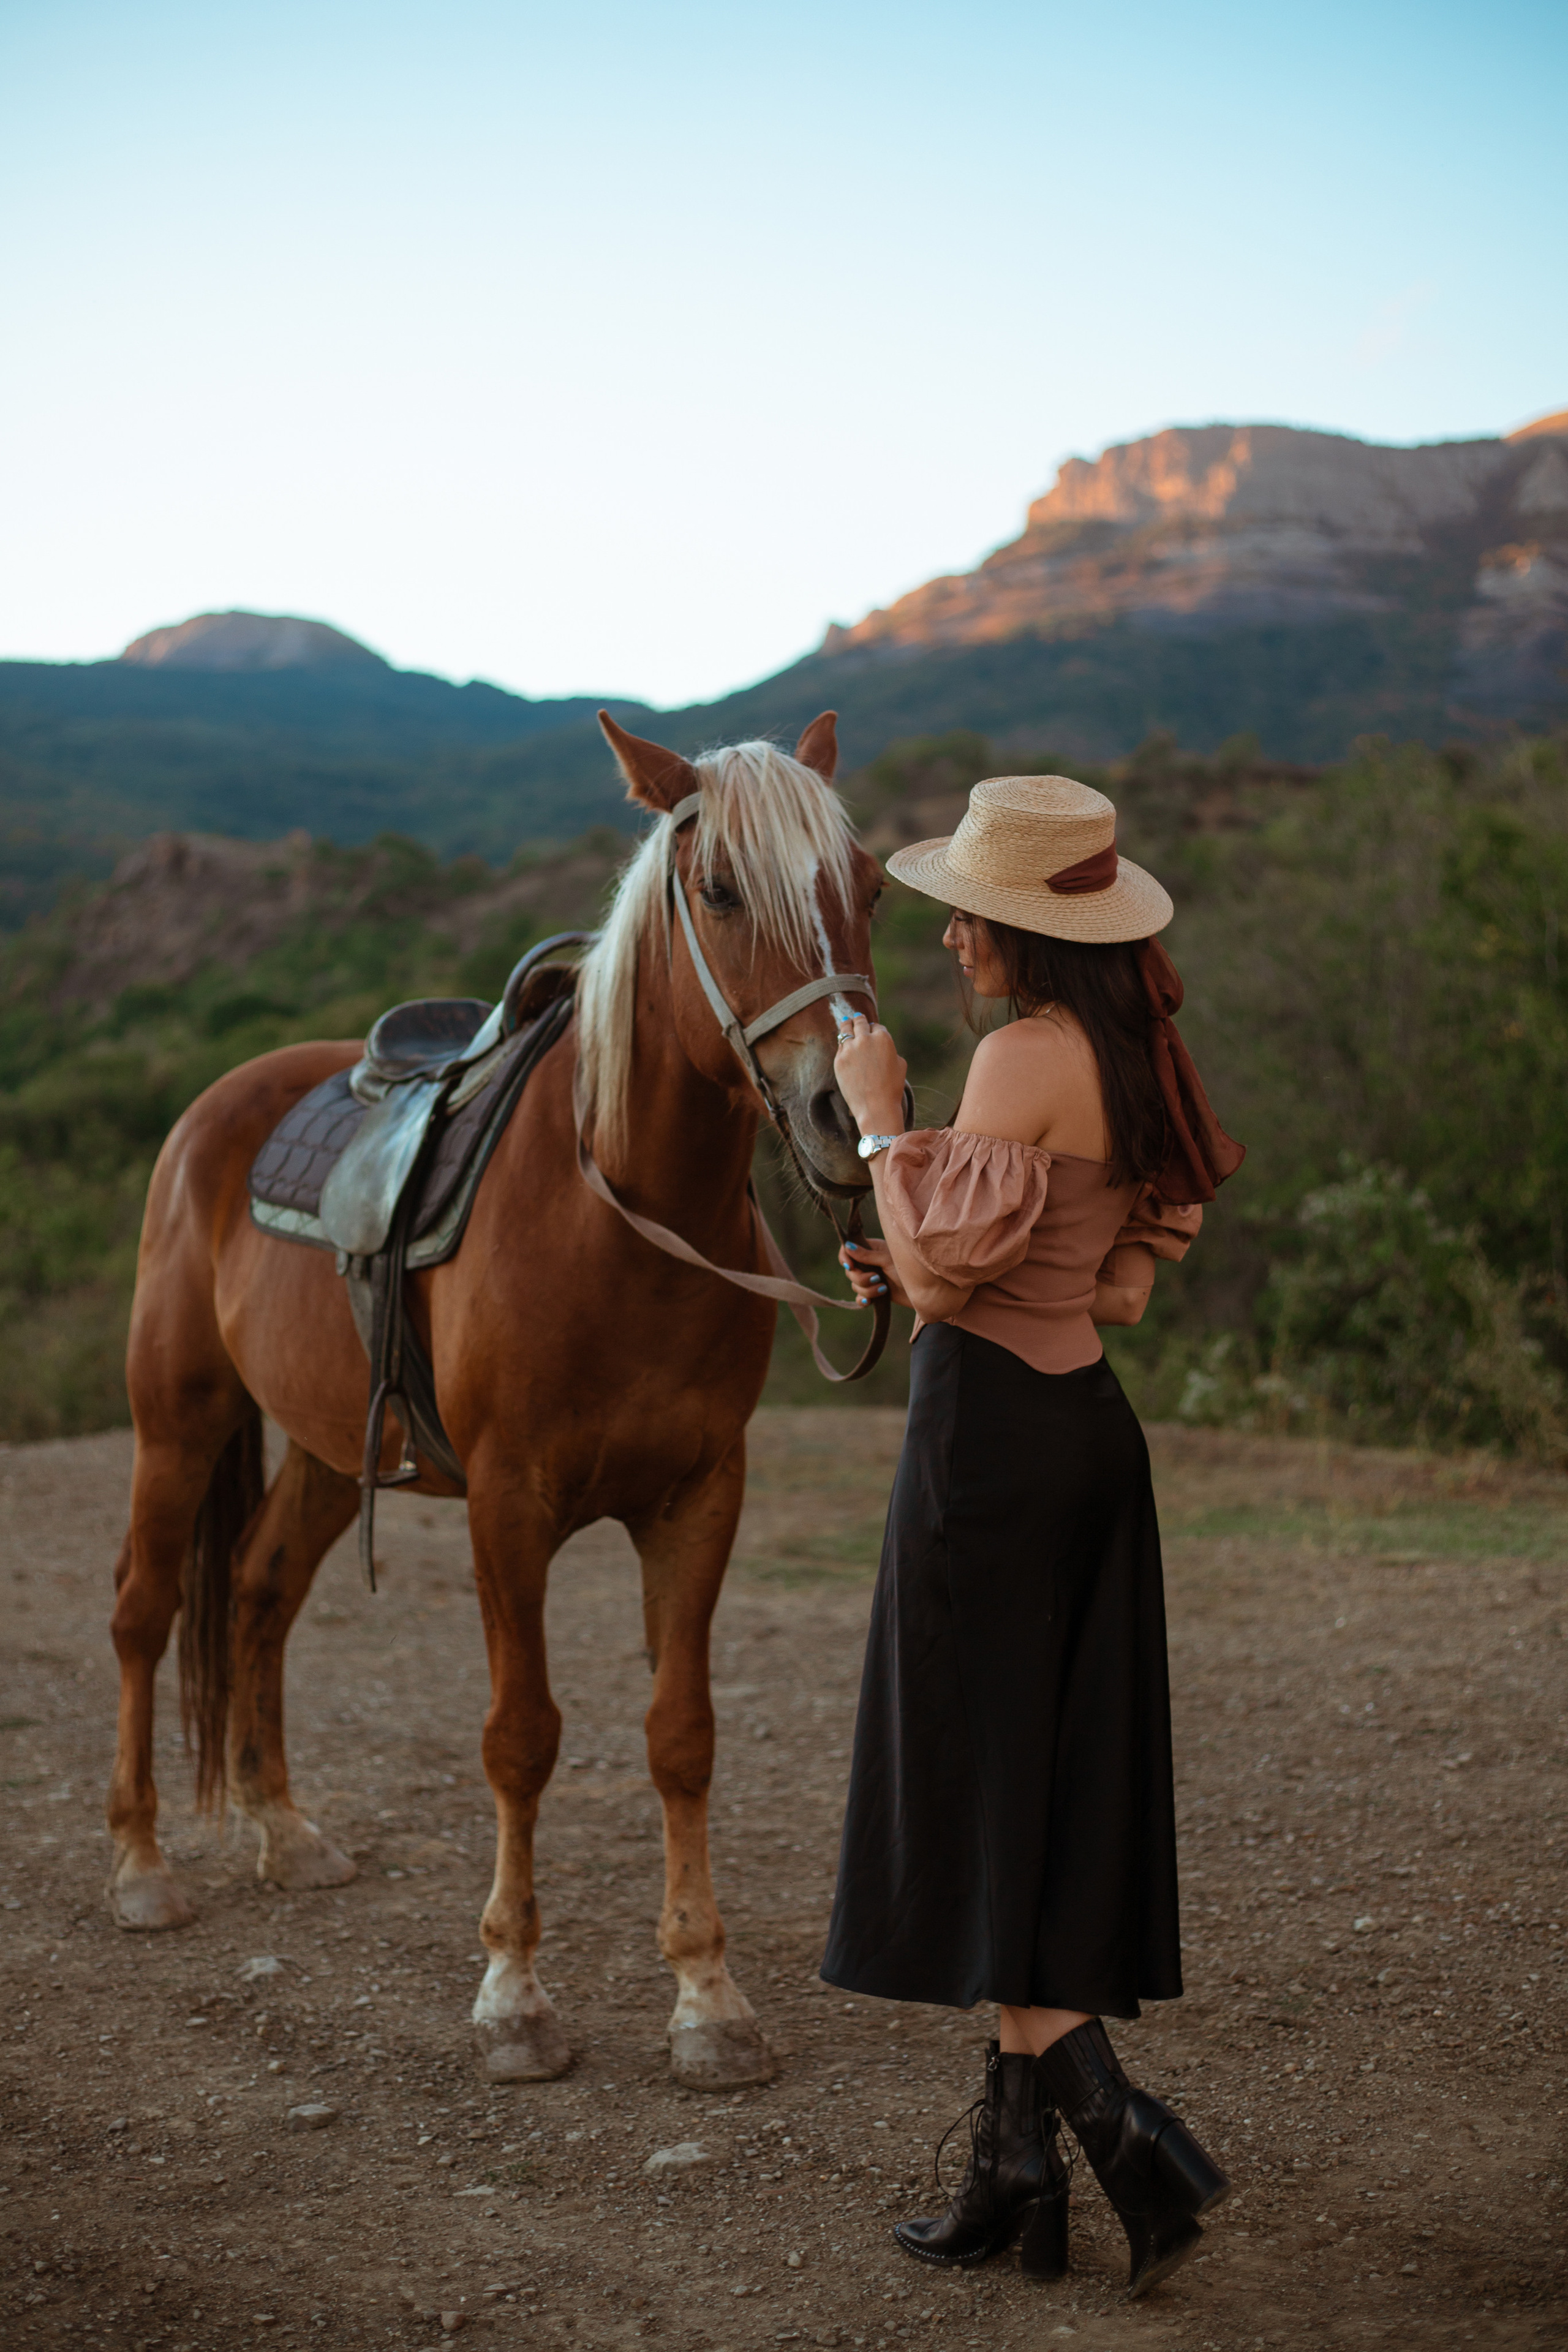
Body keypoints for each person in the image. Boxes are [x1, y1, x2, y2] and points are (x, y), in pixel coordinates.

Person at [820, 773, 1243, 2299]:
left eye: (973, 915)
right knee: (1034, 1791)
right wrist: (930, 1242)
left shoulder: (1015, 1056)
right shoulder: (1136, 1060)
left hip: (987, 1453)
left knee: (975, 1781)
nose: (947, 936)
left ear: (1028, 937)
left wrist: (883, 1132)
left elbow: (944, 1288)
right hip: (1082, 1440)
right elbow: (1108, 1282)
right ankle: (1013, 2170)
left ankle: (1127, 2143)